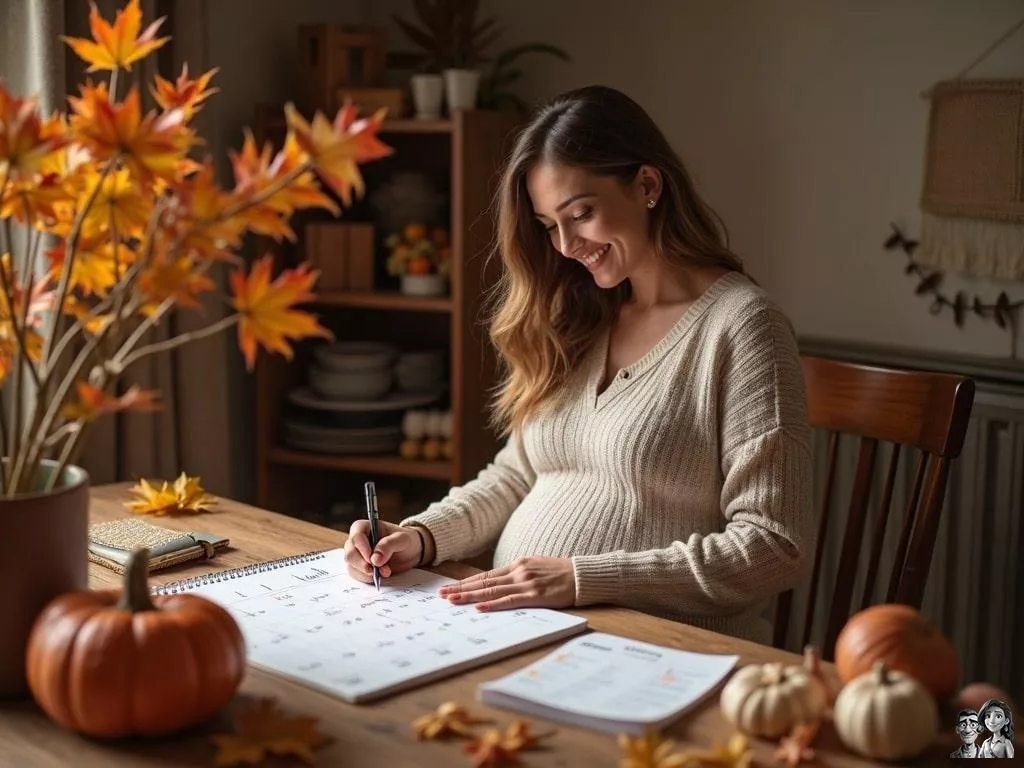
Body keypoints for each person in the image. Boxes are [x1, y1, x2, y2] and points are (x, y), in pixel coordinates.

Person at [344, 84, 814, 645]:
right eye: (548, 225)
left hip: (657, 646)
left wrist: (579, 578)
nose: (565, 245)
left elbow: (771, 547)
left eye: (581, 213)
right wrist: (422, 537)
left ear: (647, 185)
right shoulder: (581, 312)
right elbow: (518, 475)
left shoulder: (742, 327)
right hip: (527, 628)